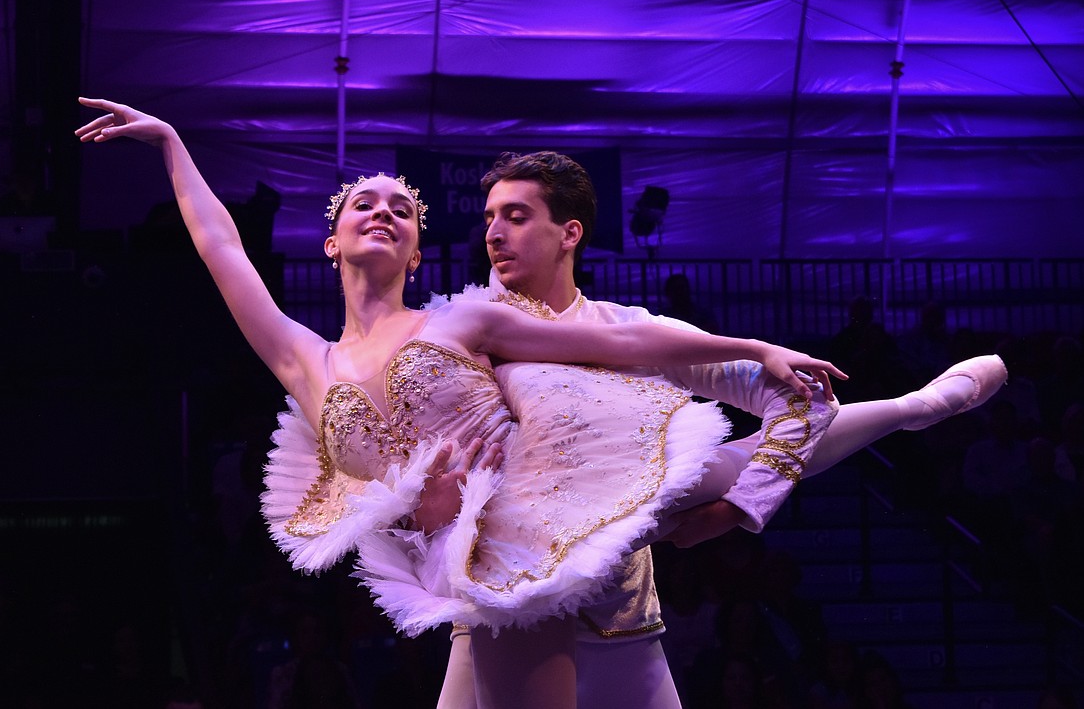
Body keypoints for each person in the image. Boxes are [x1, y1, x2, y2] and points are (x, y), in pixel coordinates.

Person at [74, 99, 849, 706]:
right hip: (469, 558)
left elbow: (621, 342)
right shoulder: (305, 359)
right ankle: (911, 408)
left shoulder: (462, 317)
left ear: (415, 249)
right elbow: (222, 246)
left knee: (732, 463)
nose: (381, 211)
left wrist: (752, 349)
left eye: (400, 210)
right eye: (362, 205)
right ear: (331, 243)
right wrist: (173, 143)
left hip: (542, 504)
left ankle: (910, 407)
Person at [425, 150, 1009, 709]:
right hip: (502, 597)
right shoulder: (461, 337)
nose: (494, 233)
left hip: (615, 610)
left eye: (516, 216)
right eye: (489, 219)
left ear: (570, 233)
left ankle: (914, 407)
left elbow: (802, 401)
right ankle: (913, 406)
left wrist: (736, 508)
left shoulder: (634, 331)